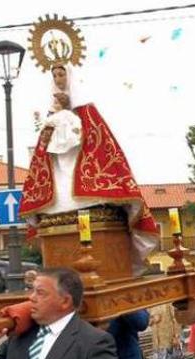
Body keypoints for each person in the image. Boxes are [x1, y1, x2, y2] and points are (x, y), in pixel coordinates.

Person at [19, 64, 158, 273]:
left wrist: (70, 117)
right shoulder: (51, 112)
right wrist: (54, 123)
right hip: (59, 173)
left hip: (84, 168)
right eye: (55, 75)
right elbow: (44, 149)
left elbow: (99, 144)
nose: (58, 79)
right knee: (58, 200)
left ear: (70, 76)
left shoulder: (88, 112)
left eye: (62, 74)